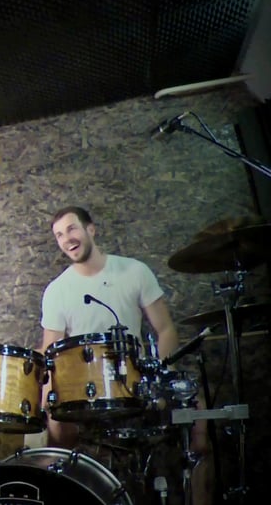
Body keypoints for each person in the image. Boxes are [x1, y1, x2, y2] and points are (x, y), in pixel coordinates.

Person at [39, 206, 210, 505]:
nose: (67, 238)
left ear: (91, 229)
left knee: (199, 416)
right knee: (54, 425)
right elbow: (50, 348)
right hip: (85, 388)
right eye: (59, 235)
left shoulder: (134, 270)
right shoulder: (57, 290)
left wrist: (160, 373)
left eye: (71, 229)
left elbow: (166, 329)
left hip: (138, 379)